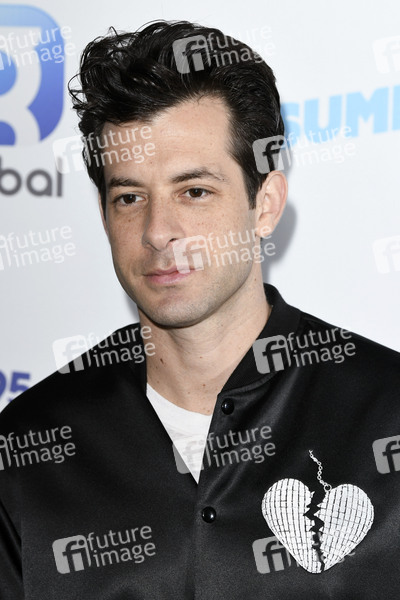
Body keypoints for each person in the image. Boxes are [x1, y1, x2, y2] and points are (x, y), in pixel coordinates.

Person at [0, 20, 399, 600]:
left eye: (194, 191)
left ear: (265, 206)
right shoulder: (29, 445)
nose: (158, 231)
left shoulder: (387, 412)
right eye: (129, 197)